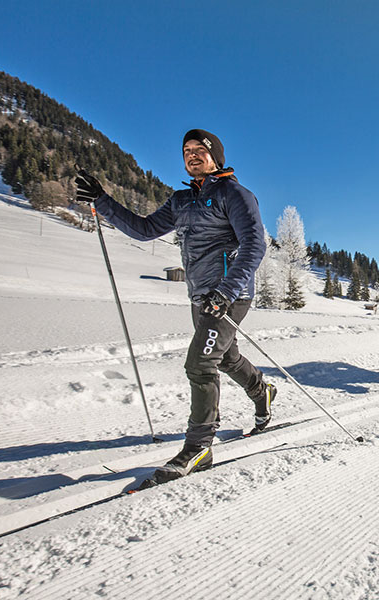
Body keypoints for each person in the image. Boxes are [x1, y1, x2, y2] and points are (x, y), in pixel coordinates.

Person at [75, 128, 276, 483]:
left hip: (231, 294)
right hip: (200, 295)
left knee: (200, 363)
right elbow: (142, 229)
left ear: (217, 156)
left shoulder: (235, 194)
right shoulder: (180, 201)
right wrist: (102, 200)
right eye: (187, 150)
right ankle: (263, 392)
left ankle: (198, 447)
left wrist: (227, 291)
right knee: (226, 357)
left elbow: (254, 246)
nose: (193, 155)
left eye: (201, 149)